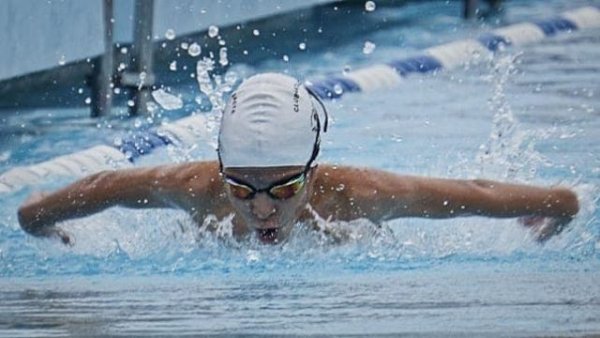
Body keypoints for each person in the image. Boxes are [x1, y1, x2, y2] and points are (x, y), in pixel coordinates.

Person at [18, 73, 579, 245]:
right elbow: (107, 184)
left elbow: (474, 195)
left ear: (311, 172)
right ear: (223, 174)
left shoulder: (359, 196)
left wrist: (556, 206)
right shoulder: (197, 186)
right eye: (244, 188)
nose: (261, 209)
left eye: (283, 189)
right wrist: (39, 220)